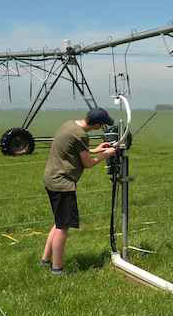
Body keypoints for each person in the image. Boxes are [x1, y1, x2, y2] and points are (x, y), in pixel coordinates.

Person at [41, 108, 117, 275]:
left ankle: (45, 260)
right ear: (97, 124)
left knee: (59, 222)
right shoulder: (81, 135)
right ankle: (57, 269)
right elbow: (88, 164)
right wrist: (106, 155)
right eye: (102, 125)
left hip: (51, 178)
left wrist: (96, 149)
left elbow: (74, 148)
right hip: (62, 183)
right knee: (63, 227)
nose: (102, 128)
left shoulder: (70, 125)